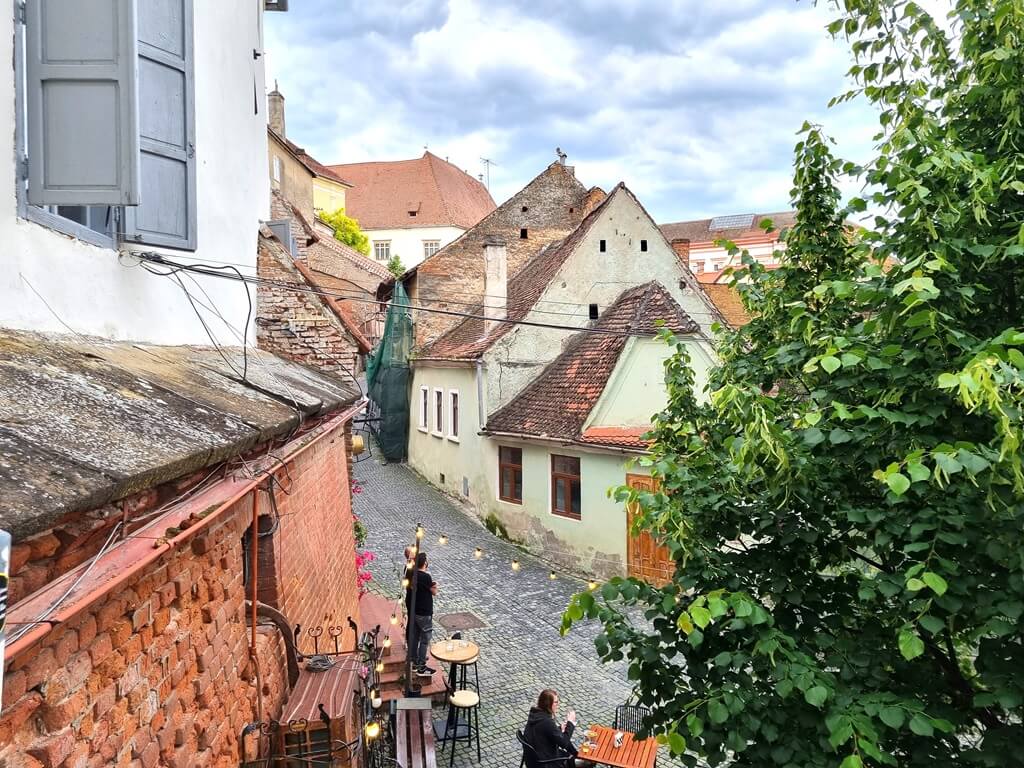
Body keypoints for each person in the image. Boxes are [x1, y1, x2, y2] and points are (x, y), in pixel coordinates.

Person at [523, 689, 578, 768]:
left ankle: (577, 754)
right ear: (548, 704)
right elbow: (564, 743)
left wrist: (559, 729)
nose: (558, 704)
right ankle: (578, 756)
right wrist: (570, 723)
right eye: (556, 702)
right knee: (570, 758)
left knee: (571, 753)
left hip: (532, 759)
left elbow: (547, 732)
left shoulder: (535, 714)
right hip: (544, 762)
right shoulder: (546, 722)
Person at [409, 552, 437, 677]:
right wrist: (435, 586)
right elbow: (434, 592)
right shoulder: (426, 577)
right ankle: (421, 666)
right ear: (425, 563)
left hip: (414, 610)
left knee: (415, 637)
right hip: (424, 612)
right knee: (425, 639)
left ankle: (414, 662)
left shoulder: (412, 574)